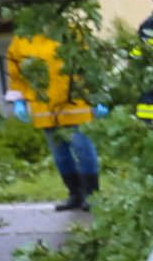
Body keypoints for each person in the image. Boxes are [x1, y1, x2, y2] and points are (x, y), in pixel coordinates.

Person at [6, 30, 100, 211]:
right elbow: (16, 74)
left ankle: (92, 194)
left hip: (75, 104)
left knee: (83, 149)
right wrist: (19, 100)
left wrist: (97, 96)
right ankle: (75, 194)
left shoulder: (71, 32)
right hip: (45, 108)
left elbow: (89, 66)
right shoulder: (21, 39)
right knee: (60, 155)